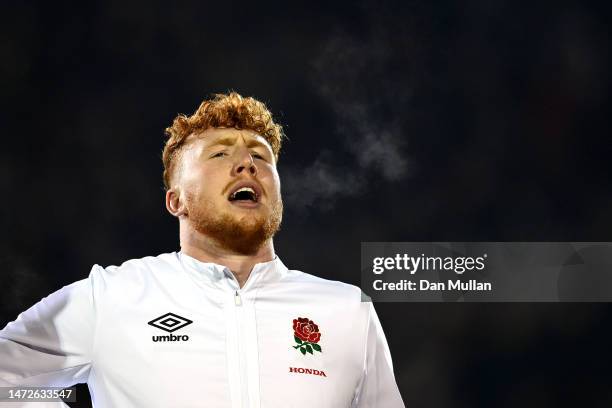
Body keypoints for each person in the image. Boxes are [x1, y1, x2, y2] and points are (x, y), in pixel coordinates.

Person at [0, 92, 405, 407]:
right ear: (176, 200)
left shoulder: (347, 310)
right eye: (220, 153)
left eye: (261, 156)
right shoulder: (112, 297)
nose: (247, 163)